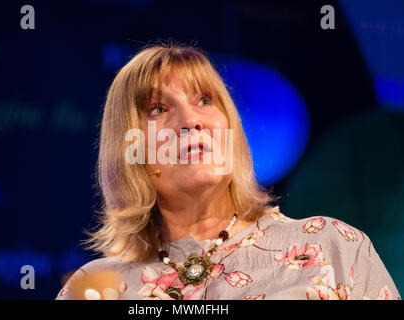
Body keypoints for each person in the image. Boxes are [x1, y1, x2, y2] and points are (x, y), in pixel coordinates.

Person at [56, 42, 400, 300]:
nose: (191, 121)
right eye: (158, 108)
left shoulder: (332, 247)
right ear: (130, 148)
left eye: (205, 100)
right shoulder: (94, 286)